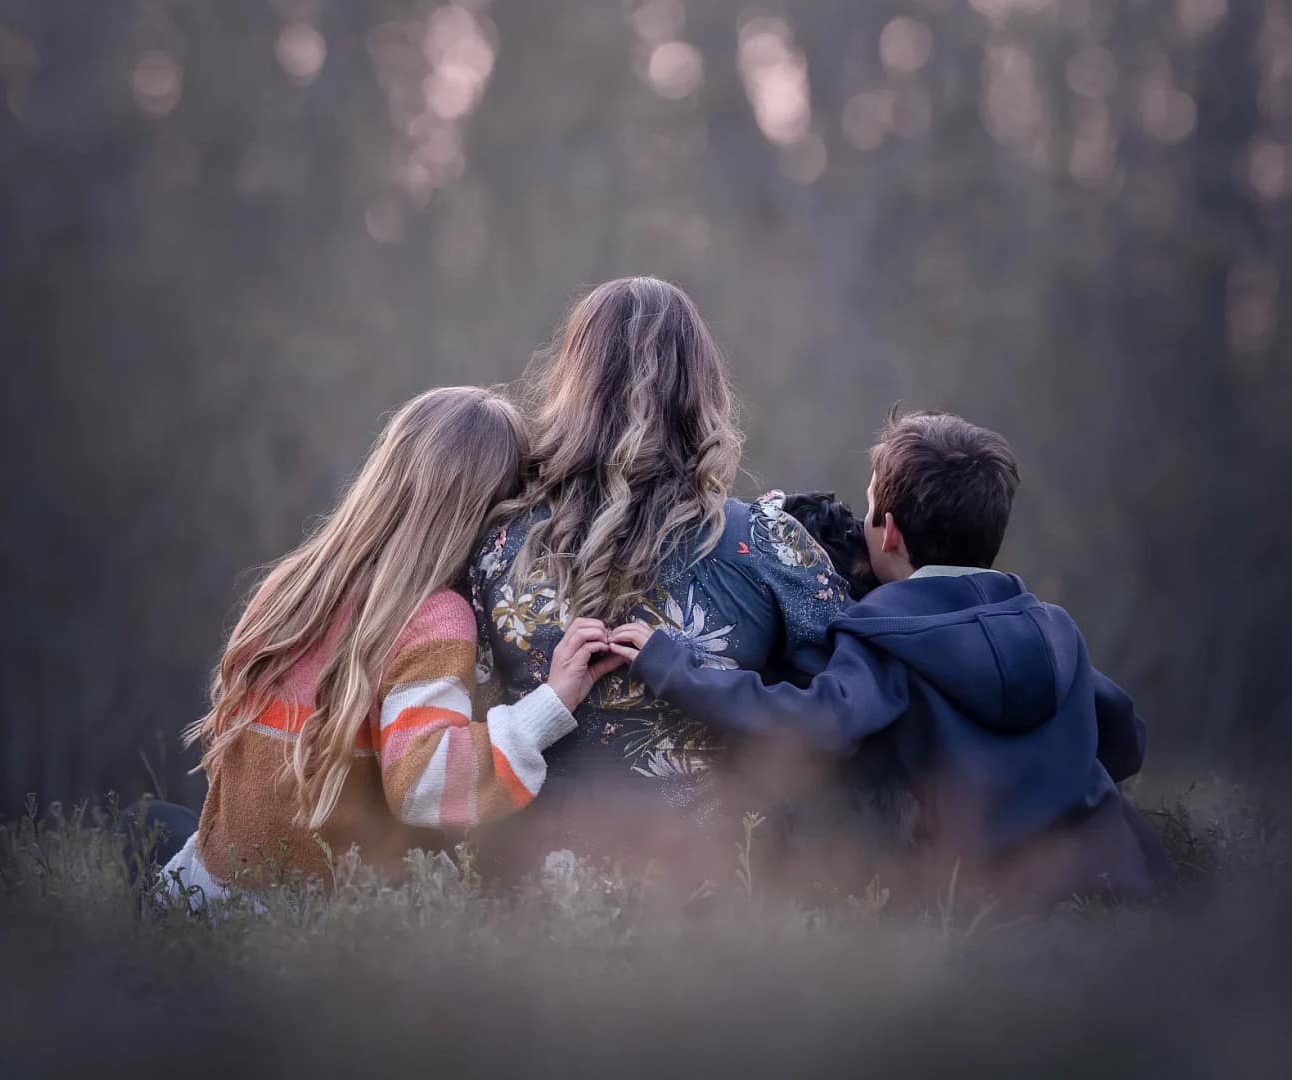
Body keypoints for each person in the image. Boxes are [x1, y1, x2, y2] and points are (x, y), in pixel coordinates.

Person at [610, 410, 1167, 909]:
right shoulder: (1053, 628)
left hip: (986, 893)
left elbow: (813, 724)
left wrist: (675, 668)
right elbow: (1126, 736)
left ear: (890, 533)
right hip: (1111, 876)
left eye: (870, 507)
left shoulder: (886, 636)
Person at [162, 387, 623, 904]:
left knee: (155, 821)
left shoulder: (291, 585)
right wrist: (549, 706)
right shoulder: (432, 618)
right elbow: (425, 780)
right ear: (487, 516)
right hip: (326, 922)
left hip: (206, 890)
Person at [469, 277, 850, 864]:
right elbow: (846, 717)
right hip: (708, 893)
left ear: (573, 383)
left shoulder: (497, 542)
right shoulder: (770, 544)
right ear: (704, 391)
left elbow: (450, 727)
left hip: (528, 892)